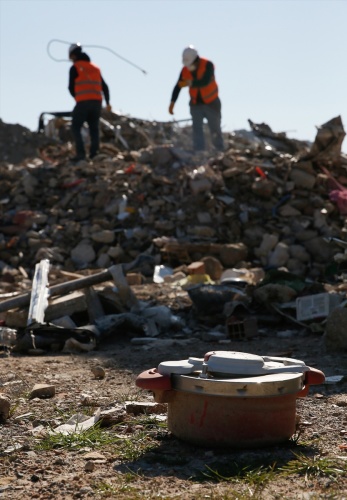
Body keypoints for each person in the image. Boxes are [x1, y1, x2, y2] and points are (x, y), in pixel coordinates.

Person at [169, 45, 224, 152]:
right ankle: (199, 152)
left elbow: (205, 81)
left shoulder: (208, 65)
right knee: (197, 129)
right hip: (195, 104)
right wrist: (172, 102)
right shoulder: (185, 70)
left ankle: (219, 151)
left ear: (196, 60)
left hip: (212, 103)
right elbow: (178, 86)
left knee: (215, 129)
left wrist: (190, 83)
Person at [68, 43, 111, 162]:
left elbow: (70, 87)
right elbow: (105, 87)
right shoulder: (95, 68)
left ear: (74, 56)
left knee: (76, 126)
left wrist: (77, 98)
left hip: (83, 102)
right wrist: (107, 103)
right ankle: (94, 154)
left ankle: (81, 154)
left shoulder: (75, 67)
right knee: (94, 128)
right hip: (97, 102)